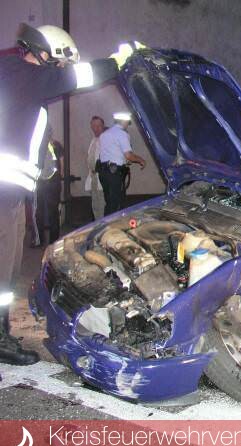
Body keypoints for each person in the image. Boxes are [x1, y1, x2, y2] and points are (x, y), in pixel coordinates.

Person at [0, 23, 142, 365]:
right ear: (46, 54)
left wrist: (44, 158)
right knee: (2, 265)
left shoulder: (19, 80)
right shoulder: (20, 73)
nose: (62, 69)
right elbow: (79, 77)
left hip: (11, 192)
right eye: (60, 62)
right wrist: (117, 61)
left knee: (8, 269)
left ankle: (1, 333)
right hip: (3, 191)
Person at [98, 112, 146, 215]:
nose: (127, 124)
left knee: (110, 203)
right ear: (124, 122)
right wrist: (141, 160)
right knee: (117, 204)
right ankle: (114, 224)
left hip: (103, 172)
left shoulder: (104, 134)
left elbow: (111, 153)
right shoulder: (122, 134)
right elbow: (128, 155)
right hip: (114, 173)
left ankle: (107, 223)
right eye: (127, 122)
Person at [35, 126, 63, 245]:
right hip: (53, 182)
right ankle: (53, 240)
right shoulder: (56, 145)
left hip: (41, 181)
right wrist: (59, 177)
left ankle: (40, 239)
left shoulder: (37, 146)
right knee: (53, 212)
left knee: (39, 211)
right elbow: (61, 163)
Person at [86, 115, 105, 220]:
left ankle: (103, 226)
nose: (96, 128)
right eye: (94, 126)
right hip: (93, 177)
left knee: (102, 205)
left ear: (103, 126)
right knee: (95, 206)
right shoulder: (93, 140)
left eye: (98, 126)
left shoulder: (106, 140)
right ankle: (97, 225)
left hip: (102, 177)